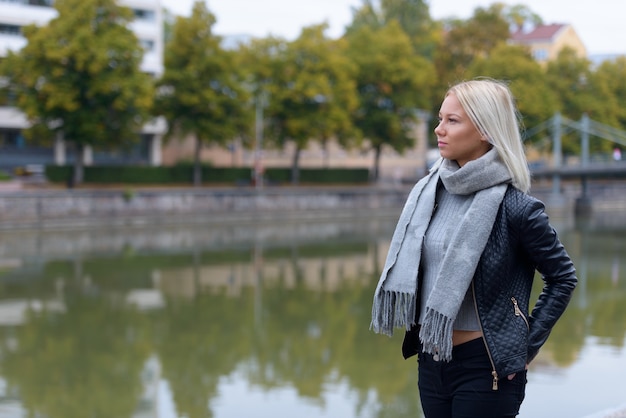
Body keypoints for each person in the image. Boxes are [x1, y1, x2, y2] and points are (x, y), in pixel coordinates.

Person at [370, 78, 577, 418]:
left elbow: (563, 278)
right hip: (431, 359)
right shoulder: (428, 194)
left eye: (452, 121)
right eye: (440, 119)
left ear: (485, 130)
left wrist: (524, 349)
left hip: (487, 367)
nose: (439, 129)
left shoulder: (517, 208)